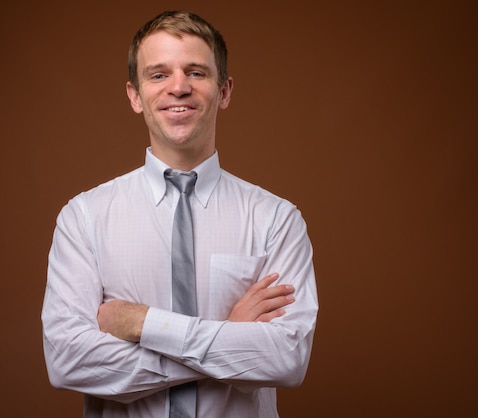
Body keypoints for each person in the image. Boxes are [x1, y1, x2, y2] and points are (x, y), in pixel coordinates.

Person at [41, 10, 318, 418]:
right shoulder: (84, 217)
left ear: (224, 91)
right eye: (158, 75)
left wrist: (143, 324)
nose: (178, 88)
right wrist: (230, 340)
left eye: (196, 73)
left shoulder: (277, 220)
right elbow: (68, 361)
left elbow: (287, 359)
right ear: (135, 95)